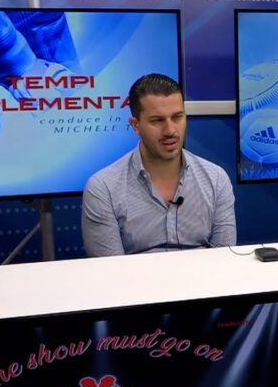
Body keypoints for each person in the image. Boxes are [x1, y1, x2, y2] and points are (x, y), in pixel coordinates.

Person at [81, 74, 236, 256]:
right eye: (157, 120)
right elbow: (110, 269)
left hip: (204, 275)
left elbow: (225, 260)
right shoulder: (103, 188)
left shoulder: (216, 179)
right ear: (135, 125)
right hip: (133, 275)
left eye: (177, 117)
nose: (170, 130)